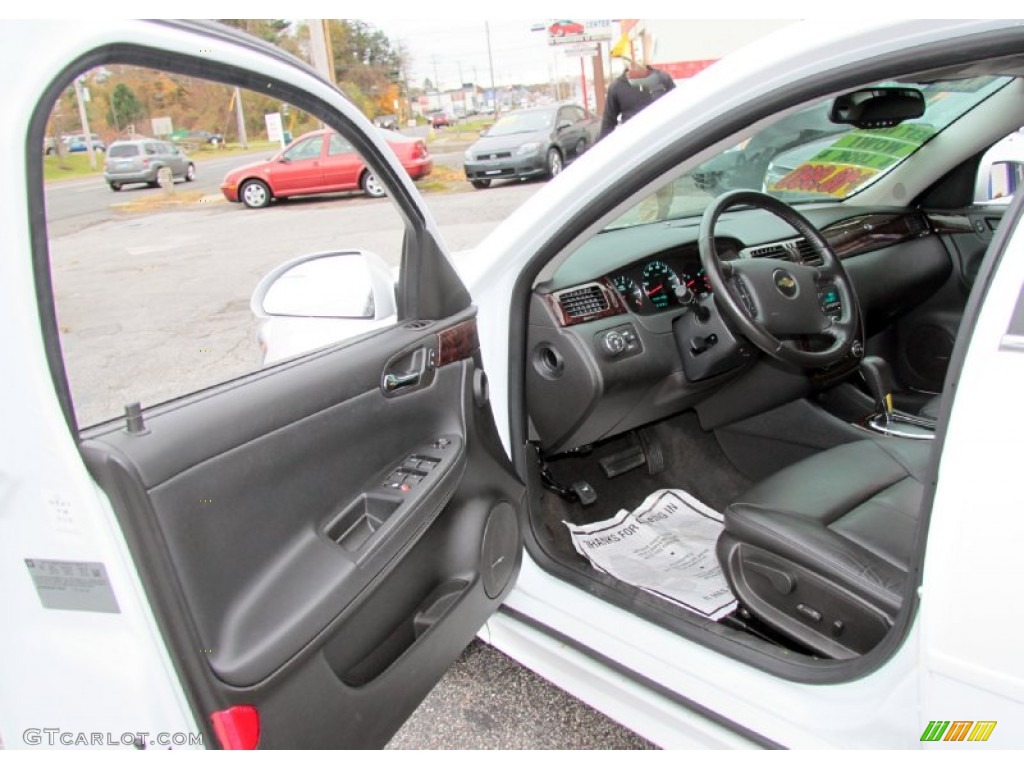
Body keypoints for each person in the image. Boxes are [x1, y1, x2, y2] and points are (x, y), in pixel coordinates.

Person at [600, 54, 677, 219]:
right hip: (637, 154)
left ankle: (662, 228)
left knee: (665, 200)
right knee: (647, 203)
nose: (633, 63)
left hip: (664, 149)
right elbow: (608, 123)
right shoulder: (617, 87)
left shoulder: (662, 80)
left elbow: (679, 109)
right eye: (629, 61)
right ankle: (650, 236)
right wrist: (599, 156)